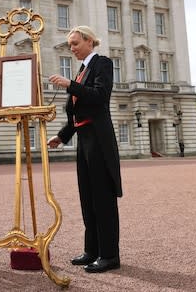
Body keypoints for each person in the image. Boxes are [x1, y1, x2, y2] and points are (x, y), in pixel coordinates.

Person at [48, 26, 122, 273]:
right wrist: (61, 137)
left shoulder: (102, 63)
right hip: (84, 140)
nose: (72, 48)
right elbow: (76, 114)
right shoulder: (82, 71)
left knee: (103, 197)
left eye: (75, 43)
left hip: (99, 139)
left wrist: (69, 84)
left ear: (90, 41)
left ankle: (109, 255)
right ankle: (92, 250)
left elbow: (100, 96)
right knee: (87, 197)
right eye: (70, 44)